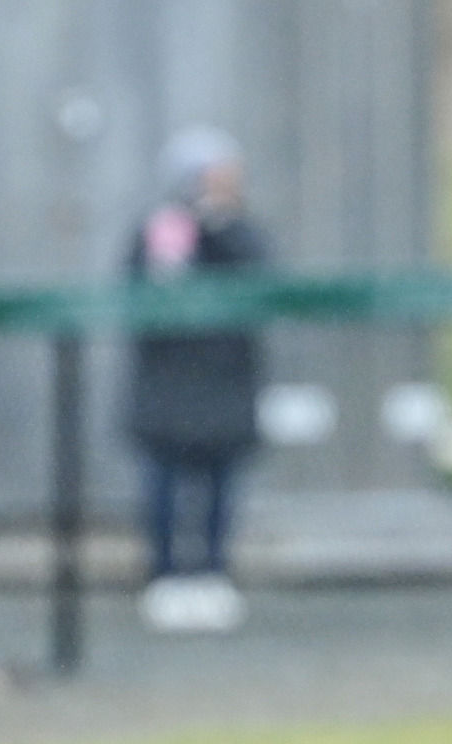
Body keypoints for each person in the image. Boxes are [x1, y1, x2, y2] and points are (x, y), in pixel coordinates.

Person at [125, 126, 270, 634]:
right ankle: (164, 575)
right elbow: (150, 289)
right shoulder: (161, 229)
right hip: (169, 383)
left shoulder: (242, 232)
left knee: (221, 484)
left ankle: (212, 572)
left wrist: (220, 227)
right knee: (163, 483)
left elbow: (260, 277)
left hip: (226, 381)